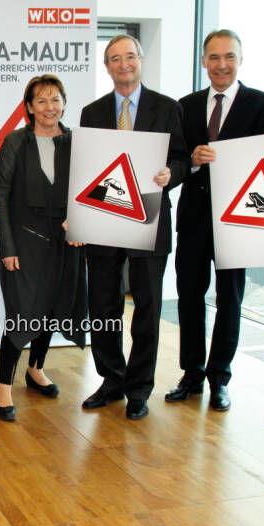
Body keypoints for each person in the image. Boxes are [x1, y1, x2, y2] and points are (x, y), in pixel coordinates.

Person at [79, 35, 188, 420]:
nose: (123, 64)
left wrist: (170, 173)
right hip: (105, 221)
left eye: (130, 57)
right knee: (104, 306)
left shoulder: (168, 107)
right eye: (114, 59)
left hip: (150, 220)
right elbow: (87, 167)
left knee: (147, 308)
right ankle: (112, 380)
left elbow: (182, 157)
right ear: (106, 67)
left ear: (140, 61)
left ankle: (139, 389)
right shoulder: (91, 113)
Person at [168, 30, 264, 411]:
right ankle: (191, 374)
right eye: (214, 57)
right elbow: (176, 159)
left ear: (240, 60)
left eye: (229, 56)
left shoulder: (263, 104)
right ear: (203, 62)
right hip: (195, 217)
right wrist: (193, 161)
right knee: (189, 298)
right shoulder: (186, 105)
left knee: (230, 301)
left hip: (238, 219)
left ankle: (220, 378)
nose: (222, 64)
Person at [0, 75, 87, 421]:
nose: (50, 107)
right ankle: (3, 385)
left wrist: (78, 220)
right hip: (24, 242)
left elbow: (89, 189)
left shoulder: (77, 141)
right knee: (21, 312)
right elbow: (0, 196)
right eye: (42, 101)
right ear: (29, 107)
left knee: (50, 308)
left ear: (64, 102)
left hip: (65, 242)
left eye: (56, 99)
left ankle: (35, 369)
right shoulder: (16, 142)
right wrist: (6, 246)